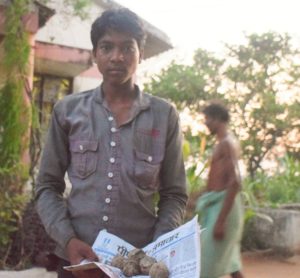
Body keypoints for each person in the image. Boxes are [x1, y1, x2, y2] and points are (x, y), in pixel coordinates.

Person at [35, 8, 187, 278]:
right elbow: (47, 186)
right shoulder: (67, 111)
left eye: (127, 47)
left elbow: (174, 194)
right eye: (106, 47)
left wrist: (159, 248)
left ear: (140, 53)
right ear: (95, 54)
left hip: (139, 267)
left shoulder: (163, 116)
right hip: (77, 263)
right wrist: (68, 239)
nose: (117, 56)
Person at [195, 102, 244, 278]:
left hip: (224, 209)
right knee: (232, 264)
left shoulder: (226, 144)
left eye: (208, 119)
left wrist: (221, 221)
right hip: (219, 205)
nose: (206, 123)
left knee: (204, 266)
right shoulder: (225, 142)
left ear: (218, 119)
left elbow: (235, 182)